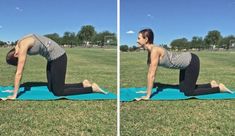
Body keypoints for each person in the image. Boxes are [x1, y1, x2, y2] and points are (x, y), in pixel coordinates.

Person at [136, 29, 233, 101]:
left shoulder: (154, 50)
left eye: (139, 38)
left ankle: (219, 88)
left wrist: (147, 95)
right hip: (184, 65)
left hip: (191, 61)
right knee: (183, 89)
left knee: (189, 92)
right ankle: (211, 84)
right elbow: (149, 73)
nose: (137, 40)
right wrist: (146, 91)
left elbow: (151, 75)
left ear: (146, 39)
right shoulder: (150, 51)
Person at [6, 34, 106, 100]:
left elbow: (19, 72)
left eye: (18, 60)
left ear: (15, 55)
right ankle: (83, 84)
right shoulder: (19, 42)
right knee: (51, 88)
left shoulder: (23, 46)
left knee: (58, 92)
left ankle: (92, 88)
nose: (20, 60)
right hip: (51, 60)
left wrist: (14, 95)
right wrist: (15, 88)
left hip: (59, 57)